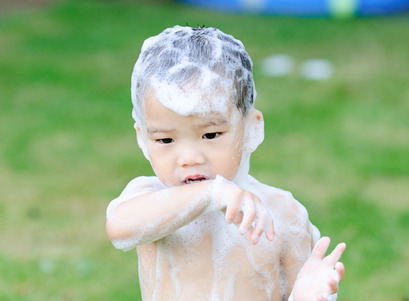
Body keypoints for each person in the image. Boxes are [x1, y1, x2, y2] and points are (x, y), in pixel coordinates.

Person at [106, 25, 346, 301]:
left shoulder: (283, 216)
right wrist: (211, 193)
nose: (189, 158)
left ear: (251, 129)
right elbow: (119, 228)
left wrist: (305, 295)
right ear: (142, 138)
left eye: (210, 135)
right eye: (165, 140)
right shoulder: (151, 201)